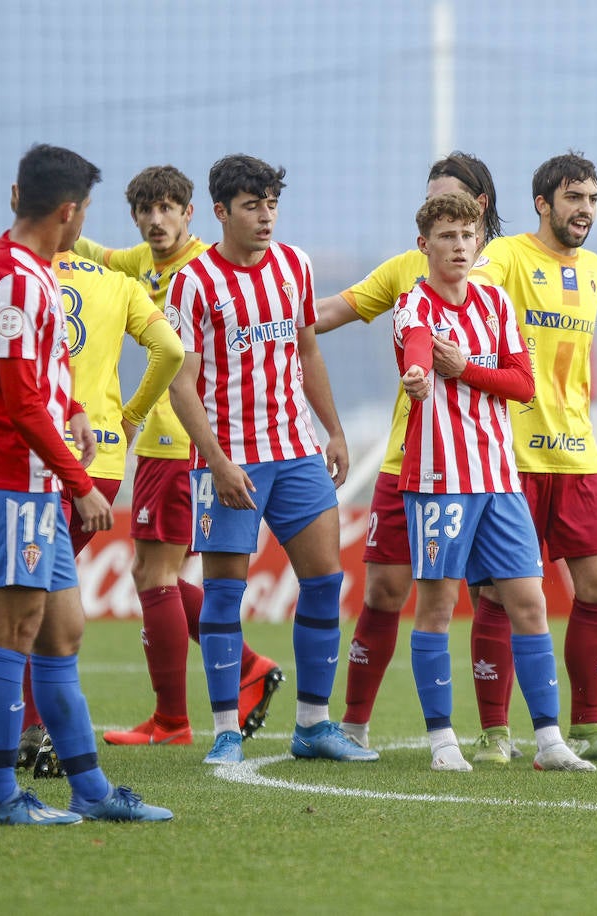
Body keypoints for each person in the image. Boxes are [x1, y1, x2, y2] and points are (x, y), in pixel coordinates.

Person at [0, 143, 172, 823]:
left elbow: (39, 375)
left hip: (33, 477)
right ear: (70, 211)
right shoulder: (18, 278)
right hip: (13, 477)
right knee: (13, 630)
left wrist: (75, 409)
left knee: (63, 631)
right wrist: (80, 482)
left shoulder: (33, 268)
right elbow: (20, 403)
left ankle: (92, 791)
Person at [167, 154, 374, 765]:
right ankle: (227, 731)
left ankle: (313, 724)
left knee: (324, 581)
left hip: (296, 453)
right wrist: (216, 462)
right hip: (230, 461)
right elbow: (182, 384)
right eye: (252, 205)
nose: (266, 217)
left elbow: (307, 351)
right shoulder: (195, 282)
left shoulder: (294, 265)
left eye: (272, 204)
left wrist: (332, 431)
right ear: (221, 211)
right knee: (225, 595)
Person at [73, 166, 284, 748]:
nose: (156, 220)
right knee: (154, 573)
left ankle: (173, 720)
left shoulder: (202, 270)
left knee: (155, 574)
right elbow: (79, 243)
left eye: (167, 208)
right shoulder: (137, 264)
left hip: (180, 441)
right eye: (145, 210)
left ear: (191, 213)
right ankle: (245, 670)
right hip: (163, 447)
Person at [394, 191, 594, 772]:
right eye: (447, 237)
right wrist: (417, 376)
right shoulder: (414, 307)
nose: (458, 246)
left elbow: (523, 384)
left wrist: (465, 371)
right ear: (424, 245)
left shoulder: (495, 304)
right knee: (436, 607)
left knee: (529, 602)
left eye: (467, 235)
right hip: (438, 480)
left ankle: (550, 741)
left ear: (479, 240)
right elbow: (414, 353)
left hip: (499, 479)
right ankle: (442, 741)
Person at [313, 152, 502, 749]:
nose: (437, 212)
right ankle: (353, 724)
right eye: (429, 200)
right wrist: (265, 318)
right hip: (412, 463)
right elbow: (331, 312)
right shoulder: (407, 267)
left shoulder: (509, 272)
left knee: (502, 595)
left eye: (449, 198)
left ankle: (500, 732)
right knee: (385, 593)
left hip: (493, 464)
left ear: (481, 206)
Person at [467, 153, 597, 764]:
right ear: (543, 203)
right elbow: (462, 297)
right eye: (572, 198)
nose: (584, 209)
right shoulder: (505, 255)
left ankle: (588, 726)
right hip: (510, 455)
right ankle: (494, 734)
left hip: (578, 452)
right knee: (500, 595)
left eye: (590, 197)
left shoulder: (593, 266)